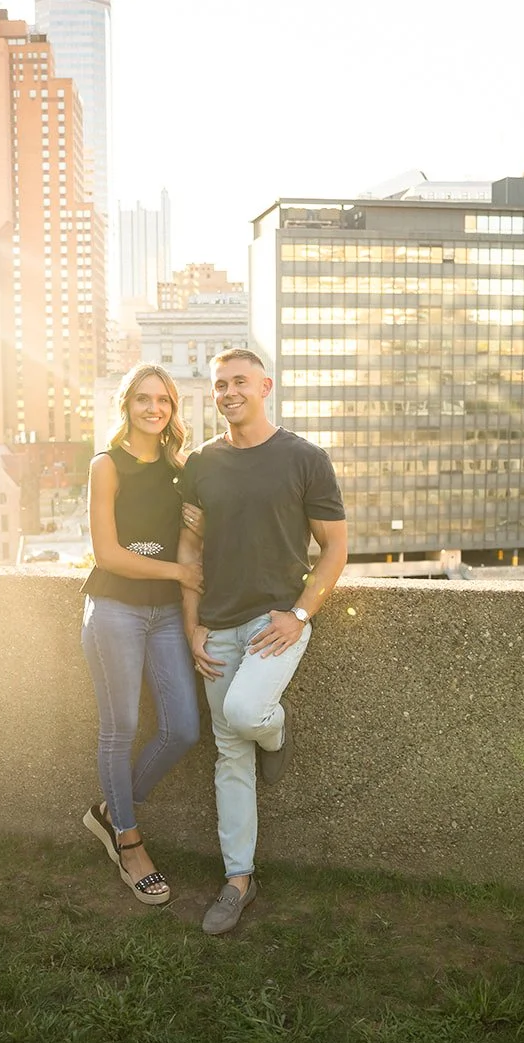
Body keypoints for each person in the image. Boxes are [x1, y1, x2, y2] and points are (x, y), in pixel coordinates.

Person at [178, 348, 348, 935]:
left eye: (240, 382)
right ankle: (238, 881)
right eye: (220, 384)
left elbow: (335, 547)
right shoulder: (200, 463)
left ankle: (275, 728)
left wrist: (300, 614)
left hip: (275, 623)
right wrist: (192, 623)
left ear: (266, 387)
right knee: (229, 754)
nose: (228, 392)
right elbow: (190, 551)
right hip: (217, 624)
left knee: (247, 713)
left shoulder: (305, 458)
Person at [79, 363, 203, 905]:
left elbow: (189, 537)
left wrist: (200, 525)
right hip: (115, 609)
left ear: (173, 410)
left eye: (165, 402)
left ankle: (110, 809)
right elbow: (107, 554)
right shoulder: (106, 466)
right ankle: (129, 843)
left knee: (183, 730)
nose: (154, 409)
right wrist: (179, 573)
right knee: (120, 726)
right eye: (143, 400)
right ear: (126, 405)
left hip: (167, 615)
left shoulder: (180, 469)